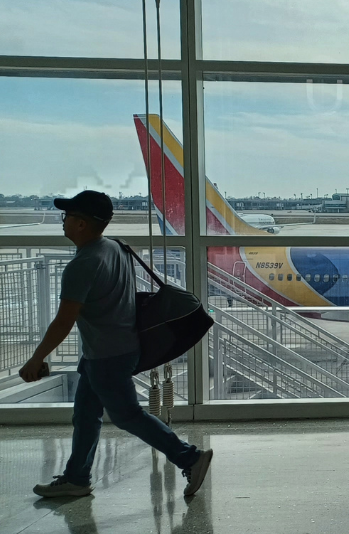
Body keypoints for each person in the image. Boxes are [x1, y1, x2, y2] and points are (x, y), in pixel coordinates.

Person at [19, 190, 213, 498]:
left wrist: (37, 358)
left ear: (81, 224)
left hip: (107, 355)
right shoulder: (115, 247)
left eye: (67, 216)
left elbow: (64, 321)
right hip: (116, 347)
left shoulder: (82, 265)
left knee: (128, 416)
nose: (64, 221)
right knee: (85, 414)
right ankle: (77, 478)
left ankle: (189, 457)